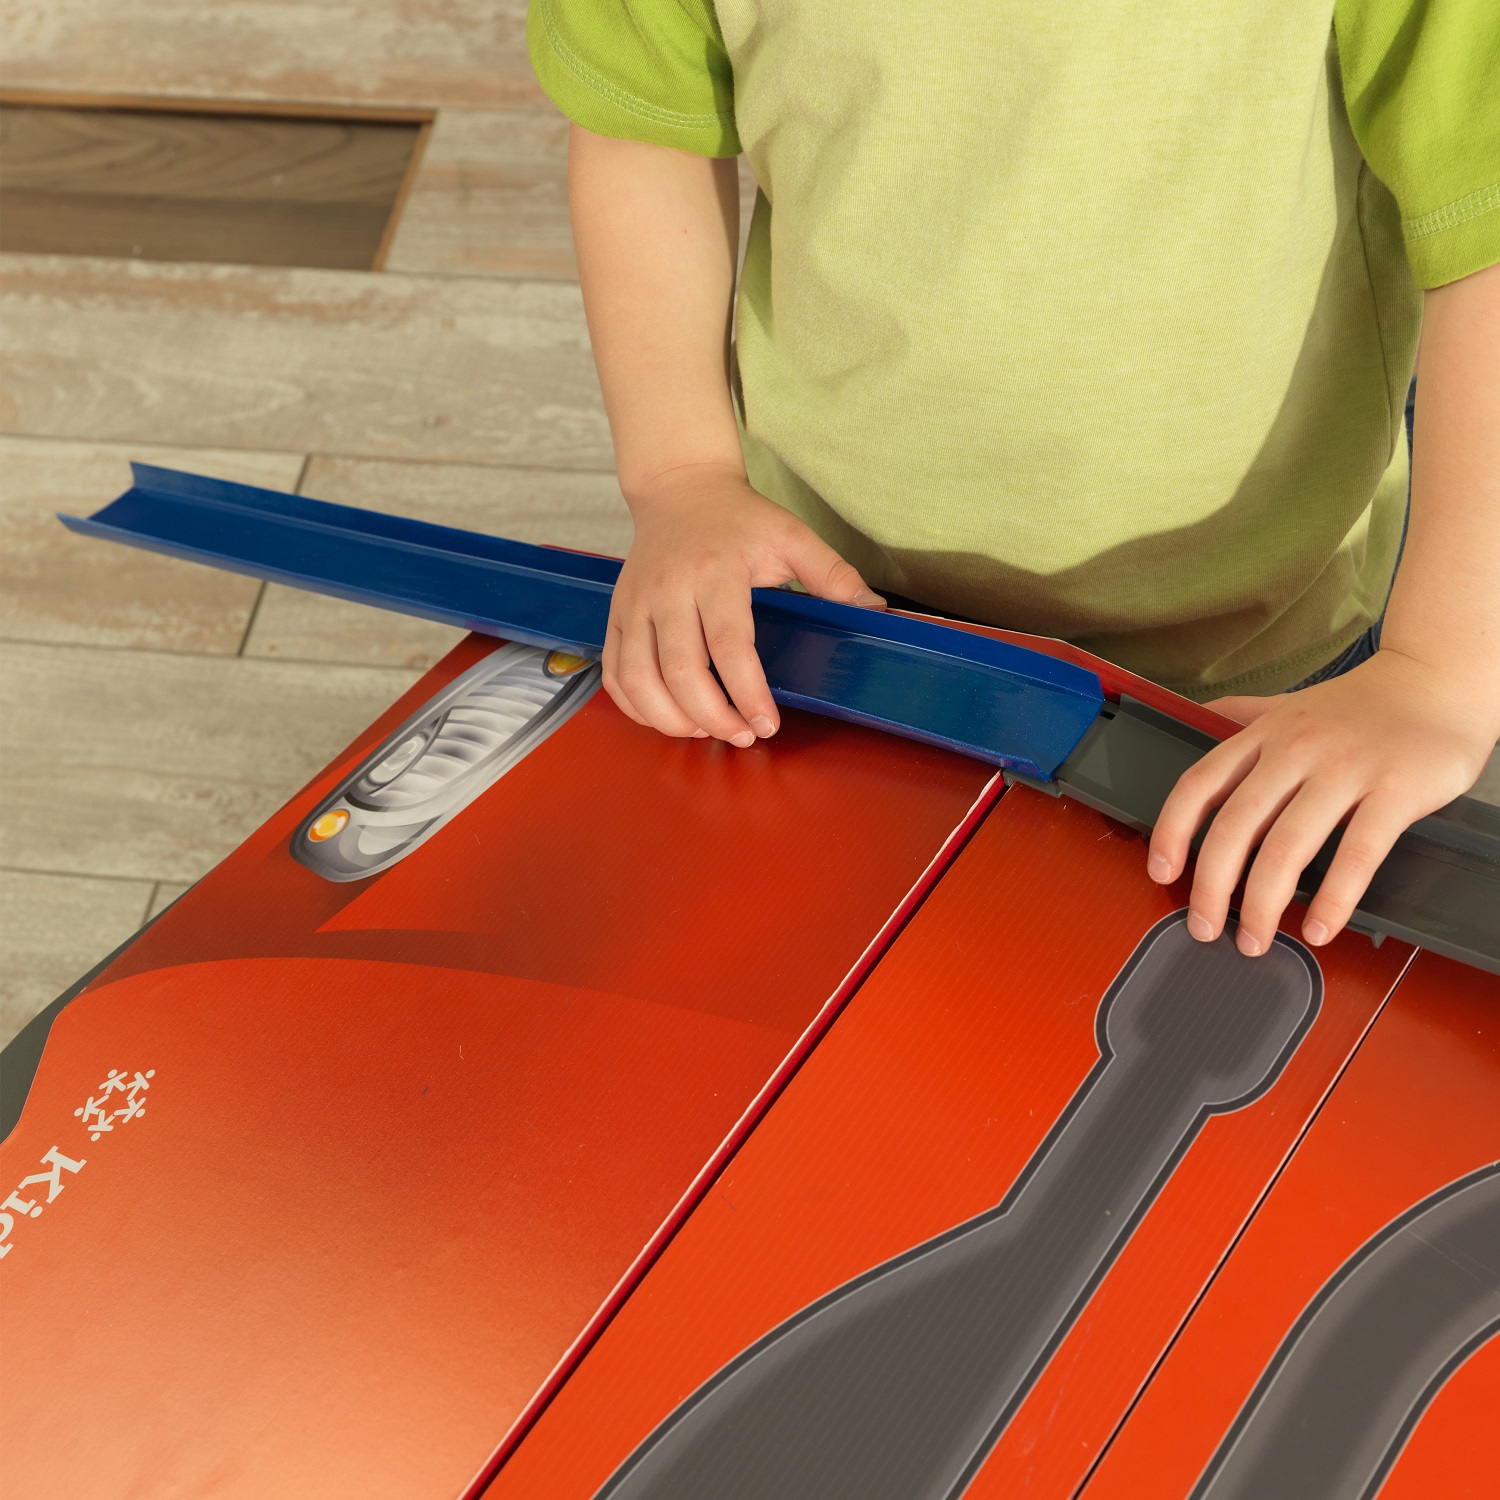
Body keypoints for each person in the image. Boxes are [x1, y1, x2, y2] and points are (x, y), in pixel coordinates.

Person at [526, 0, 1500, 956]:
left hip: (1257, 654)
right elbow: (642, 120)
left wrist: (1440, 676)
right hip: (828, 599)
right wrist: (682, 476)